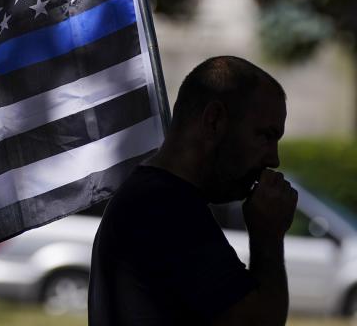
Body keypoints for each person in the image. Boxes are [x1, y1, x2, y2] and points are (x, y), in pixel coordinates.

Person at [88, 56, 298, 325]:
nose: (273, 159)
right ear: (213, 121)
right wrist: (267, 238)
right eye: (265, 136)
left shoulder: (156, 197)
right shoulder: (165, 208)